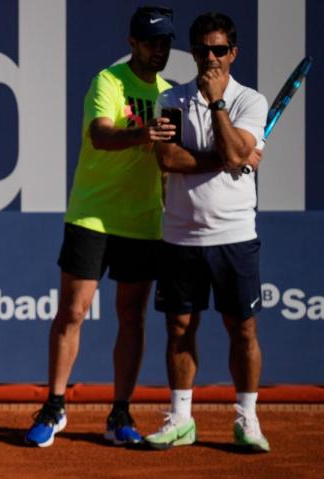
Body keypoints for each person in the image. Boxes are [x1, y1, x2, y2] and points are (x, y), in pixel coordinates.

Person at [25, 6, 178, 447]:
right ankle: (54, 407)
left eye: (165, 42)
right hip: (92, 215)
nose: (158, 50)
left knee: (132, 316)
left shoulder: (172, 94)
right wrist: (144, 133)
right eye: (150, 42)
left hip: (143, 220)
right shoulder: (108, 82)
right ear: (132, 44)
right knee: (73, 312)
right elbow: (101, 135)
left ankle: (120, 414)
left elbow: (173, 165)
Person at [147, 12, 269, 452]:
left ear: (232, 53)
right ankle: (181, 419)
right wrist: (230, 158)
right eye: (202, 50)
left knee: (243, 331)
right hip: (181, 236)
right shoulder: (171, 101)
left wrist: (218, 104)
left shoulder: (250, 102)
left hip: (235, 234)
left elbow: (236, 148)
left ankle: (247, 419)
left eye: (219, 50)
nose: (210, 58)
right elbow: (169, 162)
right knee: (180, 329)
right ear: (193, 53)